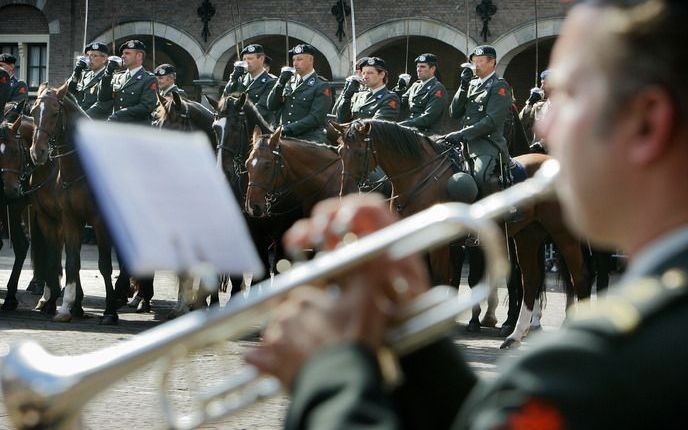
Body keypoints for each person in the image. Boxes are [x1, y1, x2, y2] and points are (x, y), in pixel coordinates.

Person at [245, 1, 688, 428]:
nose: (544, 127)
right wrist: (410, 333)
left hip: (483, 147)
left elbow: (489, 122)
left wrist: (329, 365)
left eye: (569, 95)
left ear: (646, 122)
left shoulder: (597, 362)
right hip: (458, 138)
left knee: (474, 179)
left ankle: (485, 225)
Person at [445, 45, 513, 199]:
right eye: (474, 61)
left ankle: (501, 212)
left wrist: (462, 134)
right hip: (466, 145)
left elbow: (492, 121)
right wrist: (462, 87)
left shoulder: (499, 85)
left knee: (480, 177)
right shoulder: (471, 84)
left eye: (480, 60)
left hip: (487, 145)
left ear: (492, 62)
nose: (475, 65)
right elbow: (454, 112)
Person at [266, 43, 332, 143]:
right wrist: (280, 82)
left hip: (309, 137)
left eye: (299, 59)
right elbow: (271, 105)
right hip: (284, 136)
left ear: (310, 60)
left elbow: (316, 118)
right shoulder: (288, 82)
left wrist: (289, 128)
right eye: (294, 60)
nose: (295, 63)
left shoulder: (321, 85)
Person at [89, 39, 158, 125]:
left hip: (137, 129)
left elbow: (146, 106)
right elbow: (103, 99)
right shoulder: (118, 77)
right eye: (123, 53)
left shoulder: (149, 79)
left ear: (139, 56)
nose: (122, 56)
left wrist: (120, 114)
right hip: (117, 127)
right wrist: (108, 74)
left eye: (127, 53)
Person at [223, 44, 276, 124]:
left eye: (250, 59)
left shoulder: (271, 82)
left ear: (261, 59)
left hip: (261, 129)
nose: (246, 62)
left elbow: (262, 109)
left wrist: (236, 115)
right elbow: (225, 98)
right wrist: (233, 79)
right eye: (244, 59)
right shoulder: (240, 79)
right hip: (239, 127)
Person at [335, 57, 399, 122]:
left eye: (370, 73)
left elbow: (376, 125)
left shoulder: (390, 98)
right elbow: (340, 120)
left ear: (381, 75)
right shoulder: (358, 96)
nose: (365, 76)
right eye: (363, 73)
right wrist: (347, 97)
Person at [398, 53, 448, 135]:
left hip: (428, 133)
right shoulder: (415, 86)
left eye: (423, 67)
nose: (418, 69)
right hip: (411, 130)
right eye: (417, 66)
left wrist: (404, 125)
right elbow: (399, 104)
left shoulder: (437, 88)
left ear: (432, 69)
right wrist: (399, 89)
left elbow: (429, 117)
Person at [67, 42, 110, 119]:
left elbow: (103, 104)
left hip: (97, 122)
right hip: (79, 120)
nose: (90, 59)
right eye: (88, 55)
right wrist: (77, 70)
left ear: (104, 59)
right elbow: (69, 91)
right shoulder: (83, 75)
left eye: (94, 56)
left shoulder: (110, 77)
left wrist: (82, 117)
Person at [519, 69, 551, 153]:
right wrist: (529, 104)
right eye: (541, 84)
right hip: (537, 152)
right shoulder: (539, 106)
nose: (541, 87)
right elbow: (522, 123)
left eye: (545, 84)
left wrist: (541, 144)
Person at [331, 57, 367, 123]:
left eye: (360, 70)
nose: (357, 73)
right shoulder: (354, 87)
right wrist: (346, 91)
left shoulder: (370, 91)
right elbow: (336, 112)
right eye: (356, 70)